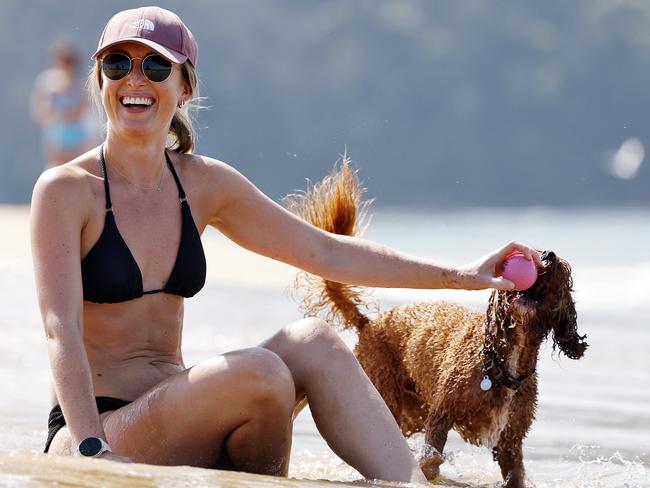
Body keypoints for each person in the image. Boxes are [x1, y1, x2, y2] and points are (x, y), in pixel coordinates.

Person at [30, 6, 541, 483]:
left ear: (184, 87)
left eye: (155, 68)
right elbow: (60, 330)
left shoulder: (204, 185)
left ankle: (407, 481)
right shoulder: (65, 191)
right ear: (101, 81)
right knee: (263, 371)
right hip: (98, 427)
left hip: (178, 414)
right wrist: (91, 448)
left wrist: (464, 276)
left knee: (312, 341)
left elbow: (327, 253)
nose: (134, 80)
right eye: (118, 65)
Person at [30, 38, 99, 168]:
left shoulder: (80, 86)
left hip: (77, 136)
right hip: (55, 135)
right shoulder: (47, 83)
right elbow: (39, 111)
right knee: (56, 167)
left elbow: (85, 110)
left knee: (74, 168)